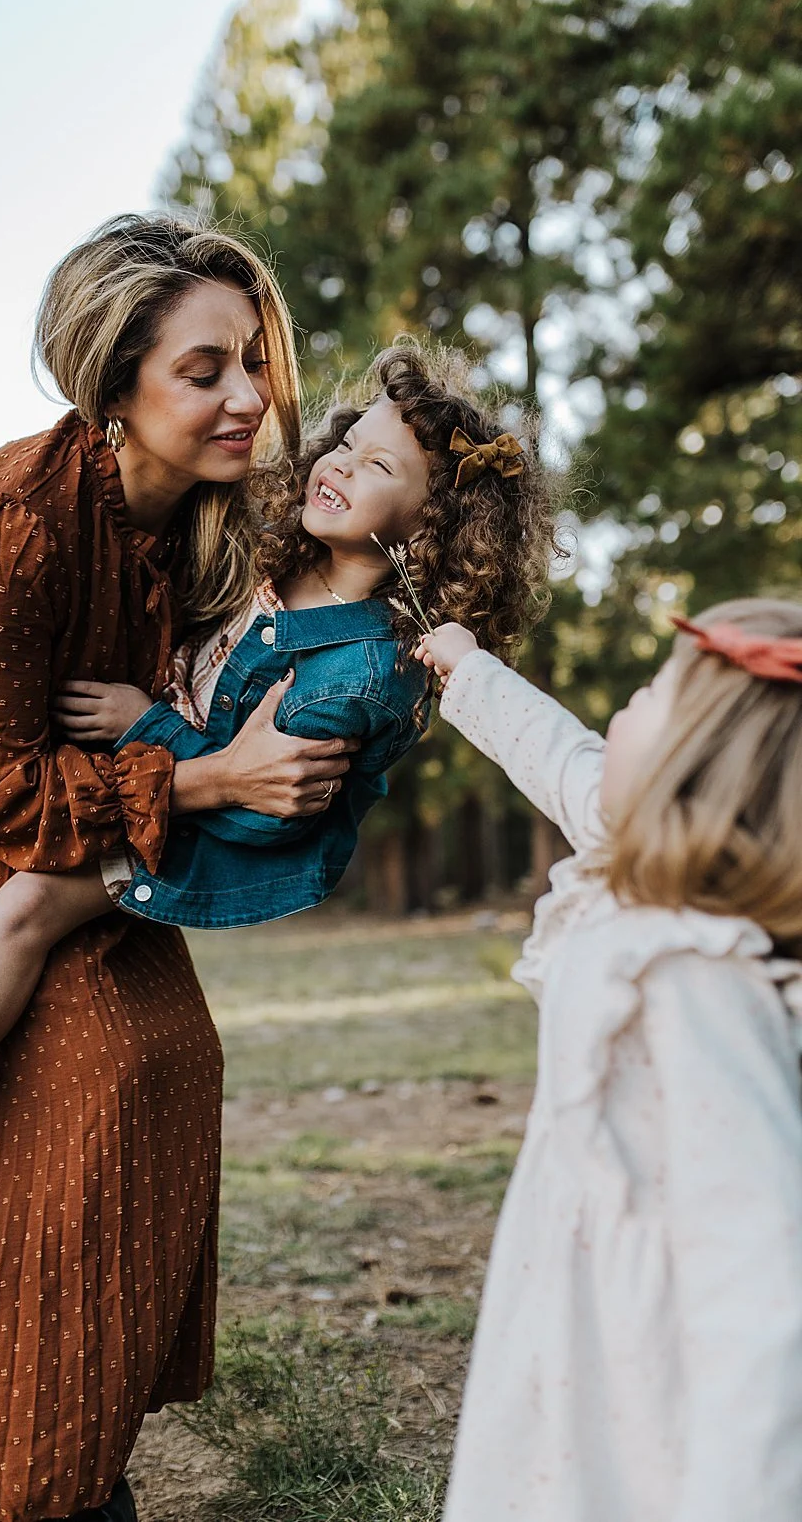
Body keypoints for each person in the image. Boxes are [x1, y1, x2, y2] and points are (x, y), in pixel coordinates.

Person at [0, 212, 356, 1522]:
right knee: (76, 1097)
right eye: (203, 370)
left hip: (102, 840)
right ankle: (16, 1460)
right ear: (116, 383)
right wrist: (210, 777)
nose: (247, 394)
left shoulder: (208, 528)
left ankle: (65, 1439)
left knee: (166, 1063)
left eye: (253, 361)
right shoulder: (4, 518)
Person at [0, 342, 558, 1246]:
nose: (338, 463)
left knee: (25, 908)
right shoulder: (282, 555)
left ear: (428, 529)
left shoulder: (359, 675)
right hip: (184, 782)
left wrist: (142, 722)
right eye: (347, 442)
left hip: (217, 835)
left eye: (378, 466)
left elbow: (263, 800)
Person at [415, 599, 802, 1522]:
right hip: (571, 1285)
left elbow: (762, 1280)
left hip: (643, 1348)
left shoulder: (690, 976)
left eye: (648, 694)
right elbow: (558, 755)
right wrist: (469, 670)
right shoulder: (632, 861)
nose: (617, 713)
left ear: (692, 770)